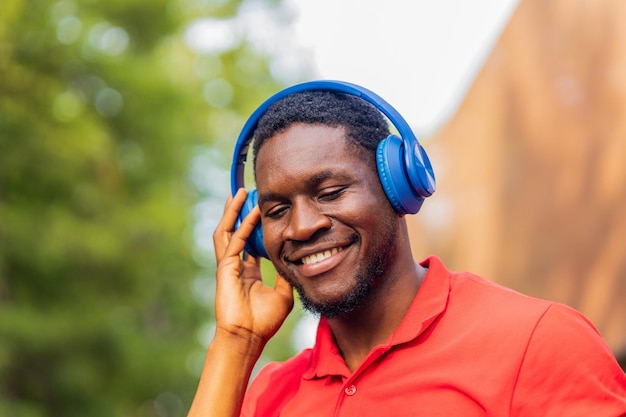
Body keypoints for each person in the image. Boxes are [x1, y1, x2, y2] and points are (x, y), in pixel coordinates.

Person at [187, 81, 626, 417]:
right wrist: (236, 341)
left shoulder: (540, 343)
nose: (302, 227)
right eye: (278, 209)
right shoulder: (269, 394)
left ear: (399, 185)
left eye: (331, 191)